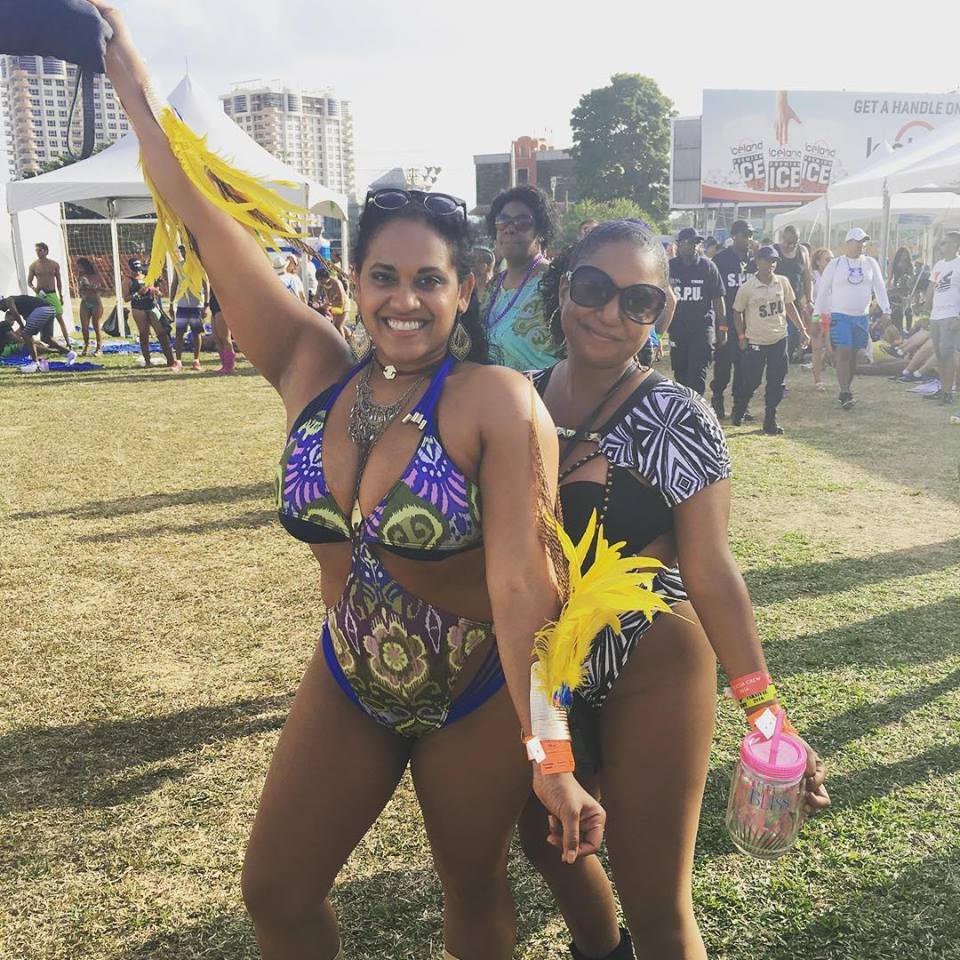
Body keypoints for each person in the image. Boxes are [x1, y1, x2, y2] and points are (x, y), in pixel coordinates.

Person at [93, 8, 605, 959]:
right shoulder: (312, 366)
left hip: (475, 686)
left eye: (429, 280)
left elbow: (522, 586)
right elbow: (203, 218)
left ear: (464, 288)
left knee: (471, 891)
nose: (403, 300)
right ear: (355, 282)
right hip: (351, 673)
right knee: (276, 890)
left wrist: (551, 753)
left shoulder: (494, 402)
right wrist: (131, 83)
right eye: (383, 276)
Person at [521, 219, 829, 960]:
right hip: (536, 675)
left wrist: (765, 713)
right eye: (593, 288)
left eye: (638, 301)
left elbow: (712, 568)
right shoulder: (515, 401)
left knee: (655, 897)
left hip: (653, 662)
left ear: (660, 314)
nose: (609, 312)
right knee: (546, 842)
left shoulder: (678, 415)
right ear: (564, 288)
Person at [481, 185, 561, 370]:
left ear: (541, 232)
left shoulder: (556, 283)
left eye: (522, 222)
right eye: (503, 221)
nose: (509, 229)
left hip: (541, 388)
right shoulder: (493, 286)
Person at [732, 245, 810, 434]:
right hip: (756, 341)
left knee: (777, 382)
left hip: (779, 339)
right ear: (758, 262)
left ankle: (770, 419)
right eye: (767, 260)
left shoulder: (782, 282)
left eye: (774, 261)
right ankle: (740, 407)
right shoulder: (747, 287)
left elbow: (789, 306)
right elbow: (737, 311)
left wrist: (802, 329)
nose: (771, 264)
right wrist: (741, 335)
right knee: (752, 380)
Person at [814, 227, 890, 409]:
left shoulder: (870, 263)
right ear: (848, 243)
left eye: (864, 242)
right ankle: (845, 392)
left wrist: (887, 310)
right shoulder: (836, 264)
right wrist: (816, 317)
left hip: (861, 317)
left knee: (856, 354)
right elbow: (822, 292)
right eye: (858, 242)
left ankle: (846, 388)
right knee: (844, 351)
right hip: (840, 315)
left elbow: (880, 287)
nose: (861, 245)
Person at [667, 227, 725, 395]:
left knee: (697, 373)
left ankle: (696, 408)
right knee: (681, 373)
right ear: (679, 244)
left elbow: (718, 299)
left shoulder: (708, 266)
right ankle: (684, 406)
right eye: (689, 242)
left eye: (697, 243)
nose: (693, 246)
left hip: (702, 328)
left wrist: (722, 328)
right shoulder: (669, 268)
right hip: (677, 329)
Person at [710, 219, 754, 419]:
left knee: (745, 366)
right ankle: (717, 398)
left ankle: (740, 405)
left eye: (751, 235)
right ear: (734, 236)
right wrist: (719, 323)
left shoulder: (754, 260)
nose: (748, 239)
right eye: (745, 234)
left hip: (749, 322)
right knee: (724, 365)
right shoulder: (721, 260)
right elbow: (714, 293)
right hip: (727, 320)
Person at [921, 231, 960, 405]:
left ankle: (948, 392)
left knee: (947, 353)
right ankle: (943, 388)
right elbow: (931, 289)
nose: (941, 246)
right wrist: (925, 313)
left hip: (951, 315)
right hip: (936, 316)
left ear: (955, 245)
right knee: (939, 354)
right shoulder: (938, 265)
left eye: (945, 243)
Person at [1, 293, 77, 370]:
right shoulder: (24, 307)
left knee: (26, 335)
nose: (2, 310)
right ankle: (70, 353)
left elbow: (15, 313)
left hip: (42, 309)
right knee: (46, 338)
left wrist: (22, 326)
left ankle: (35, 363)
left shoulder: (9, 300)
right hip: (51, 309)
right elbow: (28, 321)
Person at [123, 257, 175, 368]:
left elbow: (158, 291)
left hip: (151, 306)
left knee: (162, 333)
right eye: (135, 270)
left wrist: (155, 291)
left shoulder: (147, 276)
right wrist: (138, 293)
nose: (137, 272)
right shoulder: (127, 281)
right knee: (144, 334)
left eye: (138, 269)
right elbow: (126, 298)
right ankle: (147, 361)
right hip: (138, 308)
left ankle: (170, 360)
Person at [774, 225, 812, 362]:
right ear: (782, 238)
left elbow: (807, 277)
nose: (790, 246)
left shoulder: (802, 252)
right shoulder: (774, 250)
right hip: (776, 300)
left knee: (794, 334)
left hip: (795, 299)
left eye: (794, 243)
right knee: (779, 334)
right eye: (788, 242)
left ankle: (788, 358)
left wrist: (809, 299)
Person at [170, 244, 208, 371]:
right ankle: (178, 361)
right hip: (182, 304)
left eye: (185, 250)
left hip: (196, 304)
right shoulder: (178, 265)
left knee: (196, 332)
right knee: (179, 332)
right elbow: (175, 283)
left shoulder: (198, 265)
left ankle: (196, 360)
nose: (183, 253)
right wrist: (171, 303)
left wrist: (206, 304)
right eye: (181, 250)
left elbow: (205, 283)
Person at [28, 241, 72, 348]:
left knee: (59, 318)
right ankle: (37, 342)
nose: (38, 252)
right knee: (38, 319)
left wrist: (61, 295)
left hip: (52, 293)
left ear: (46, 251)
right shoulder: (34, 265)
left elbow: (59, 281)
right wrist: (35, 290)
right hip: (40, 295)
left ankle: (68, 342)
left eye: (40, 250)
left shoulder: (54, 264)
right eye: (36, 250)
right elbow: (29, 282)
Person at [809, 247, 834, 391]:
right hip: (817, 316)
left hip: (831, 315)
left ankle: (820, 367)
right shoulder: (813, 277)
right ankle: (818, 380)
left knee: (830, 348)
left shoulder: (834, 277)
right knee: (817, 348)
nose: (831, 262)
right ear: (818, 262)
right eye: (827, 259)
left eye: (832, 259)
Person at [75, 256, 105, 356]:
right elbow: (80, 290)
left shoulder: (96, 276)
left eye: (80, 266)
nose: (78, 269)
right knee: (84, 327)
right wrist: (83, 290)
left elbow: (106, 288)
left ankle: (99, 348)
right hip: (85, 303)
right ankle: (86, 346)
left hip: (96, 302)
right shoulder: (81, 277)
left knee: (96, 326)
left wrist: (96, 288)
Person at [887, 246, 919, 333]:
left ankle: (908, 329)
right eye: (902, 254)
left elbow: (912, 277)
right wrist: (888, 287)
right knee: (898, 309)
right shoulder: (894, 264)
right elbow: (890, 277)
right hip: (896, 288)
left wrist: (911, 288)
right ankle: (898, 328)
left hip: (907, 289)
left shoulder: (910, 265)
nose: (903, 256)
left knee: (908, 309)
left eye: (905, 255)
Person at [208, 286, 236, 374]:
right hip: (213, 303)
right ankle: (224, 364)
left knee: (224, 338)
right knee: (216, 338)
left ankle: (229, 366)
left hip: (221, 305)